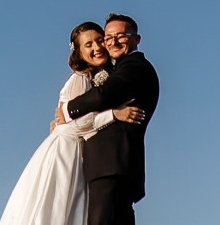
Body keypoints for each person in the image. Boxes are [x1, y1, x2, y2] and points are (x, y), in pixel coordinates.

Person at [0, 21, 150, 225]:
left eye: (99, 41)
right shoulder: (81, 79)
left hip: (83, 155)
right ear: (78, 52)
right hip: (66, 153)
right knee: (59, 208)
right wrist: (113, 114)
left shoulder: (101, 78)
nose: (97, 48)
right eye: (88, 45)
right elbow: (76, 125)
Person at [62, 14, 160, 225]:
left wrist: (68, 109)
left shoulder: (135, 67)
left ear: (136, 39)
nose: (113, 42)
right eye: (109, 37)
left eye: (121, 36)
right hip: (110, 166)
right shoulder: (112, 70)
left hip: (112, 164)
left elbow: (104, 95)